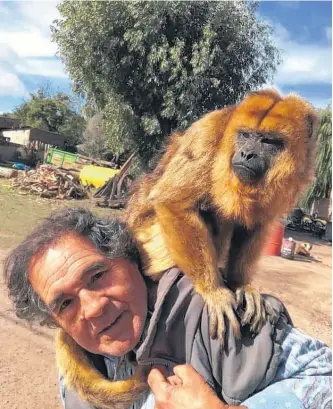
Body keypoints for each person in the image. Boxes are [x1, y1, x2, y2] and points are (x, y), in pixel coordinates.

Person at [4, 208, 332, 409]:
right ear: (55, 320)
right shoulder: (77, 369)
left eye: (98, 275)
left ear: (130, 258)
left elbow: (324, 376)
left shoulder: (209, 315)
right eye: (65, 302)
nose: (92, 308)